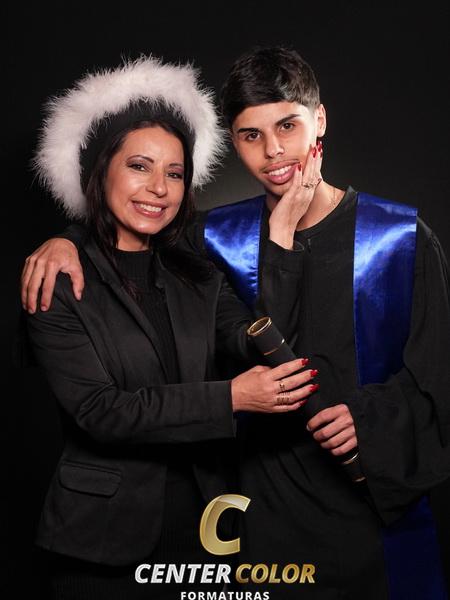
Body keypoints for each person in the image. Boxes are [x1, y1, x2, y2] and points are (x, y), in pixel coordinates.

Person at [21, 47, 450, 599]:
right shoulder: (216, 239)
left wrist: (367, 419)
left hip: (363, 501)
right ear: (233, 140)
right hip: (249, 512)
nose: (273, 152)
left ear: (319, 120)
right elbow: (132, 227)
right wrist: (67, 238)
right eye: (251, 135)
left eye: (288, 126)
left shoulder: (399, 239)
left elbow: (437, 377)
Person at [21, 55, 321, 600]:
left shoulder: (195, 270)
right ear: (100, 171)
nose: (159, 188)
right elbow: (101, 413)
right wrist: (230, 398)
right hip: (99, 548)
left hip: (205, 536)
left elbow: (260, 337)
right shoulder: (59, 279)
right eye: (140, 166)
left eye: (175, 173)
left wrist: (280, 235)